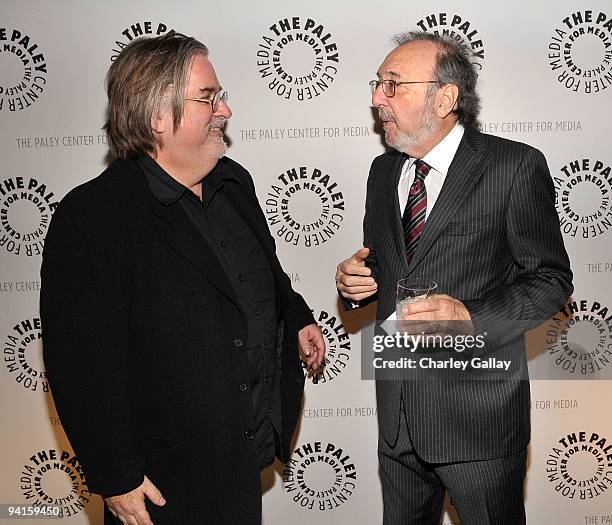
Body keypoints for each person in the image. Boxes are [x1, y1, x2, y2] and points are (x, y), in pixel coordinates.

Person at [41, 32, 325, 525]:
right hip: (164, 486)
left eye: (222, 96)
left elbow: (262, 272)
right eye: (208, 98)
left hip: (243, 457)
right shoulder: (93, 216)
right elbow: (81, 366)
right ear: (156, 116)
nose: (225, 110)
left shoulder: (233, 182)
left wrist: (296, 316)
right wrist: (115, 477)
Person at [336, 31, 572, 524]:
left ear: (445, 98)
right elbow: (391, 262)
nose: (378, 97)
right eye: (378, 83)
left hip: (479, 422)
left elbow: (550, 280)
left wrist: (469, 316)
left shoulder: (513, 166)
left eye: (393, 84)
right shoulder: (383, 172)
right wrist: (359, 280)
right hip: (397, 418)